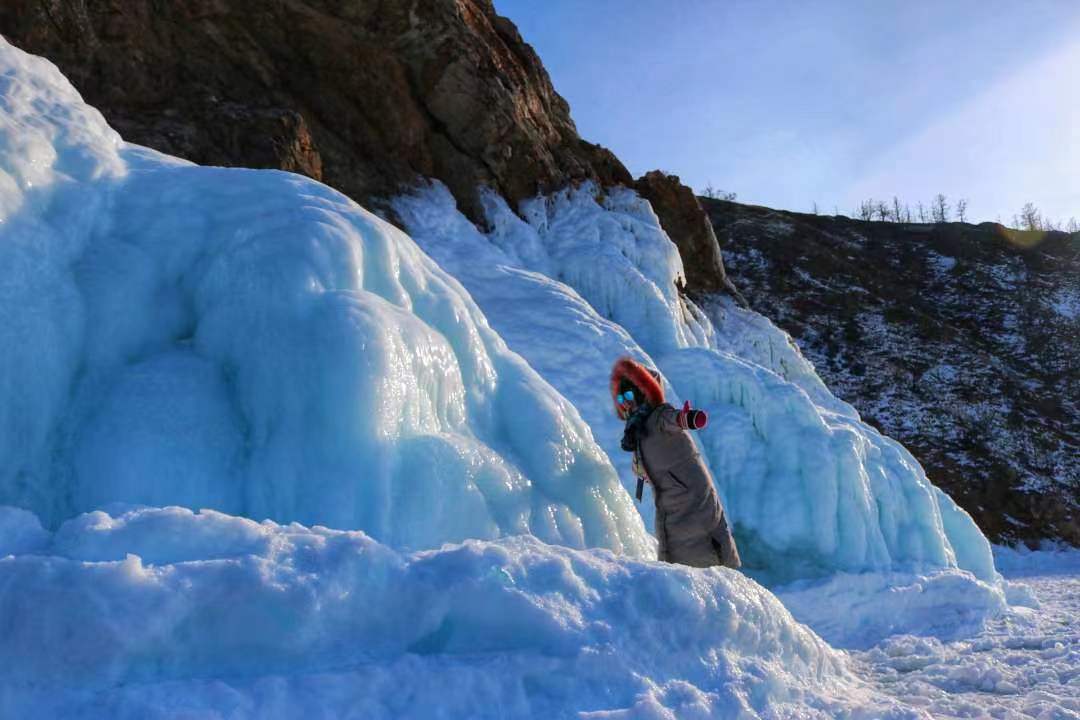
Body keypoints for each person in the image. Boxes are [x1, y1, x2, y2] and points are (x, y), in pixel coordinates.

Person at [610, 357, 741, 569]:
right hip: (672, 507)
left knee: (705, 558)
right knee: (679, 562)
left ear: (644, 393)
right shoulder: (638, 431)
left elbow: (676, 419)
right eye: (622, 396)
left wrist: (689, 418)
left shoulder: (660, 416)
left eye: (630, 394)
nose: (626, 401)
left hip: (692, 505)